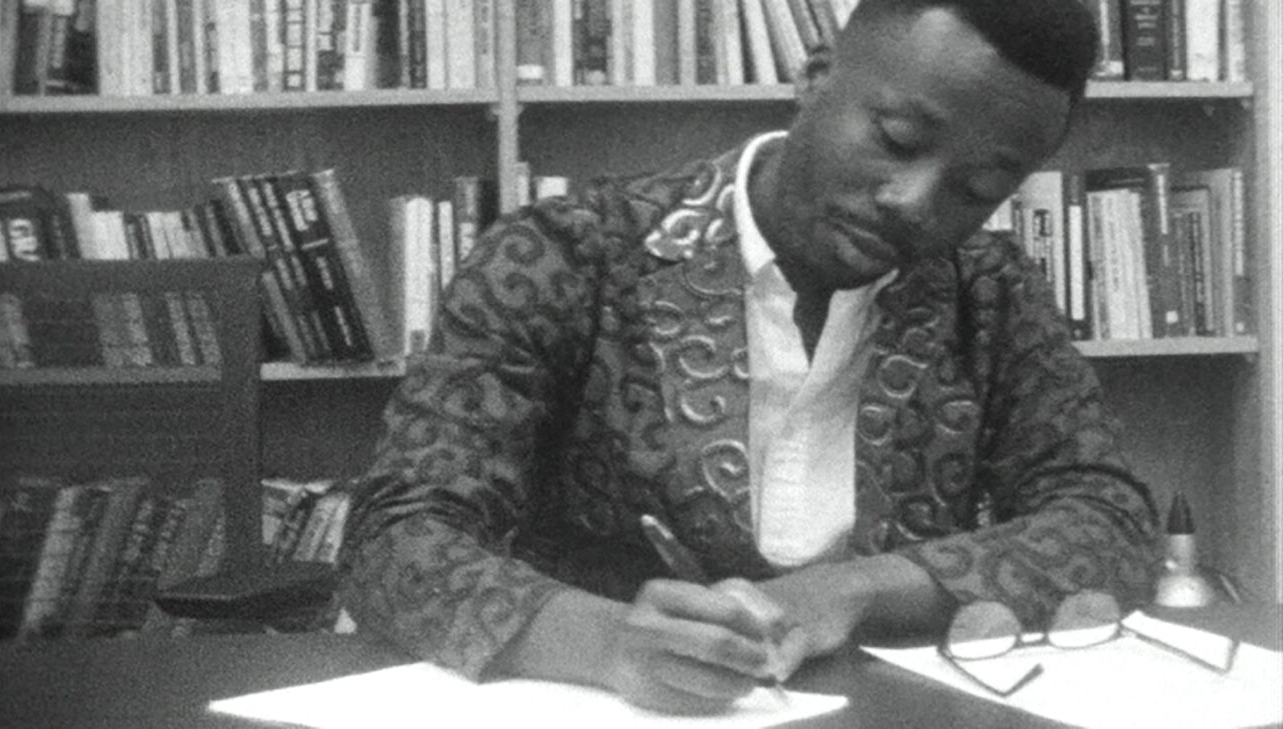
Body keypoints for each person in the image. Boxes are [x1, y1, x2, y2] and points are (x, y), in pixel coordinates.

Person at [338, 0, 1159, 715]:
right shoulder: (568, 256)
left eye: (977, 189)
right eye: (897, 138)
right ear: (815, 77)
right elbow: (396, 539)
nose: (914, 201)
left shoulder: (989, 292)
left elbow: (1108, 524)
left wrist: (846, 593)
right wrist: (609, 643)